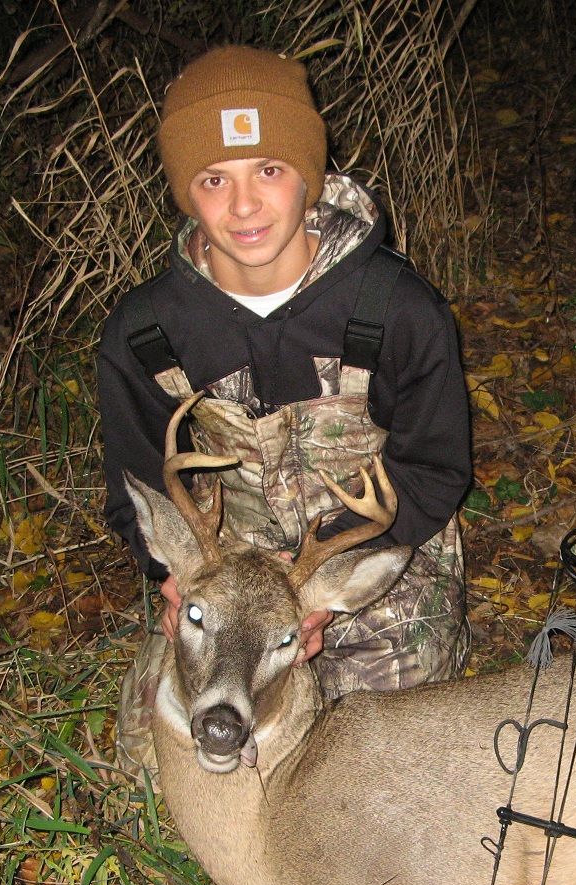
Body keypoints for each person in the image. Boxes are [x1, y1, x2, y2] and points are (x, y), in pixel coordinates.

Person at [98, 43, 470, 755]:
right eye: (213, 179)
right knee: (148, 757)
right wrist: (176, 581)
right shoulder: (146, 332)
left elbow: (436, 471)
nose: (243, 206)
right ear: (184, 191)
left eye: (269, 170)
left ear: (309, 175)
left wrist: (315, 590)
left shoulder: (396, 311)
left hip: (366, 561)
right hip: (224, 571)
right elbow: (135, 487)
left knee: (364, 754)